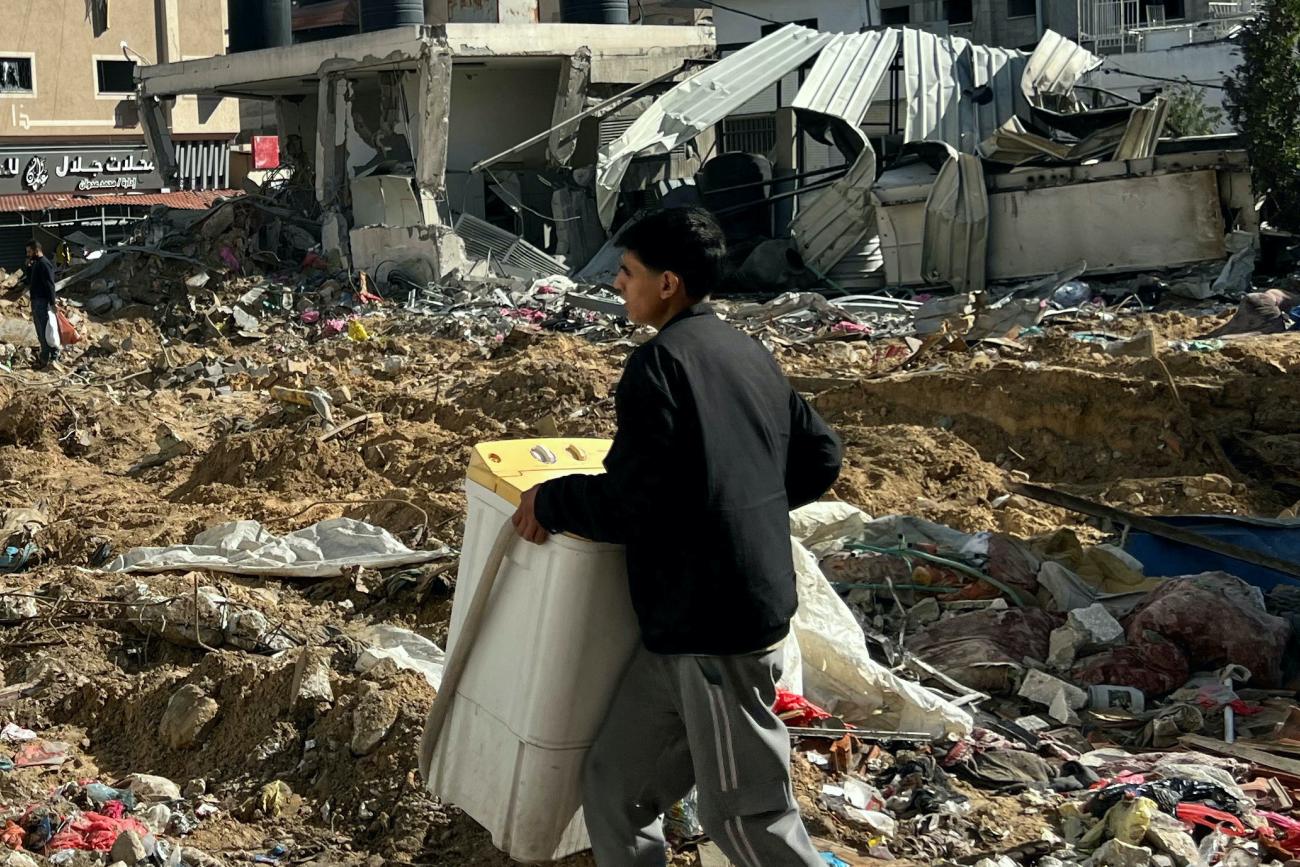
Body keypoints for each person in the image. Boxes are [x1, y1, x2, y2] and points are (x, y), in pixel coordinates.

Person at [511, 207, 843, 867]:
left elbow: (634, 502)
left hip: (716, 638)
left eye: (627, 272)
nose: (616, 285)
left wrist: (550, 498)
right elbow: (821, 456)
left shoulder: (657, 368)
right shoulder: (749, 354)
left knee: (745, 818)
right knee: (615, 786)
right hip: (681, 634)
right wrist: (742, 507)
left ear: (668, 283)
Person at [23, 240, 59, 368]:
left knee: (44, 331)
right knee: (42, 331)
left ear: (36, 250)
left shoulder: (44, 264)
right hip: (36, 301)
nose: (28, 254)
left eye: (29, 251)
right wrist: (28, 267)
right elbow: (29, 281)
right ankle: (51, 357)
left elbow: (50, 285)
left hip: (42, 302)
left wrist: (53, 302)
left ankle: (46, 359)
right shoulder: (36, 264)